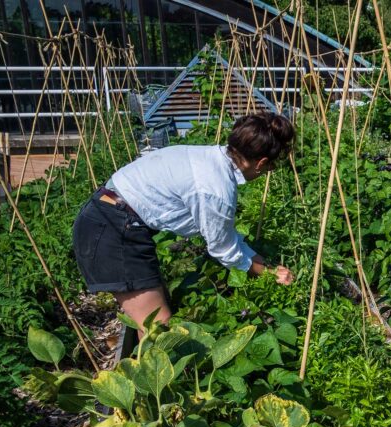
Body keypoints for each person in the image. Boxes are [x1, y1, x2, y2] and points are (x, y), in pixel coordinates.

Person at [72, 113, 297, 328]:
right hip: (113, 230)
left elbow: (227, 237)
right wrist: (268, 274)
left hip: (110, 216)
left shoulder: (208, 158)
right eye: (271, 167)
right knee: (158, 326)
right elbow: (223, 250)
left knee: (153, 321)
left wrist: (267, 265)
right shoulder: (215, 188)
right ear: (261, 162)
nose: (267, 172)